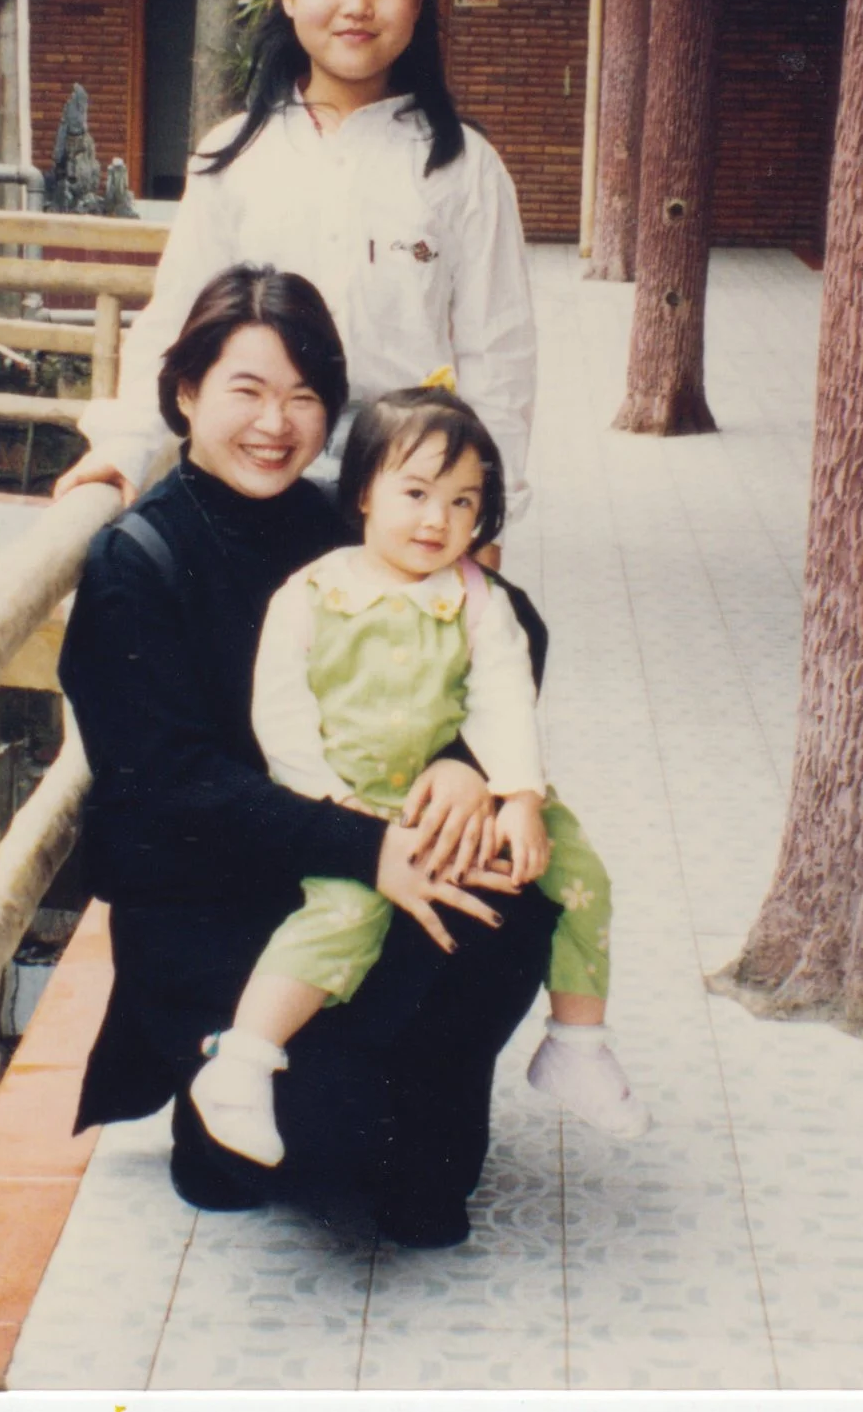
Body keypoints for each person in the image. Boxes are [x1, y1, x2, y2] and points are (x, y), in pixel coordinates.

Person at [59, 264, 558, 1248]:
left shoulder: (339, 513)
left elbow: (513, 621)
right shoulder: (137, 565)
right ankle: (231, 1102)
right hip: (215, 893)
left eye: (303, 397)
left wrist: (463, 762)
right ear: (187, 392)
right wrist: (370, 847)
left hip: (355, 857)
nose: (274, 423)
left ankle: (424, 1126)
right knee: (321, 1136)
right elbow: (170, 783)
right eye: (245, 390)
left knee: (508, 896)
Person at [188, 386, 649, 1170]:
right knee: (340, 916)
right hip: (355, 802)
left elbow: (504, 692)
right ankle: (243, 1061)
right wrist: (335, 808)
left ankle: (576, 1040)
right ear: (364, 490)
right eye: (415, 493)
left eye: (462, 501)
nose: (437, 520)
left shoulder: (474, 596)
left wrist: (519, 797)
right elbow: (283, 712)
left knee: (582, 877)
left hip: (456, 798)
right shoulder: (312, 592)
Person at [57, 0, 539, 535]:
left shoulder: (464, 168)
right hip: (254, 469)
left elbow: (499, 355)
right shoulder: (232, 154)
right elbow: (175, 323)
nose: (357, 6)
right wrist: (125, 446)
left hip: (402, 496)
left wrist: (486, 517)